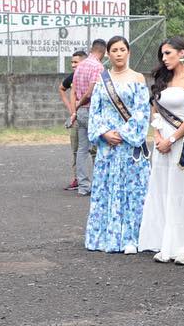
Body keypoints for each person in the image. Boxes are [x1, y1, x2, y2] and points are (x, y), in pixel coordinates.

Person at [138, 36, 184, 264]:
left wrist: (171, 138)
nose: (164, 58)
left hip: (183, 140)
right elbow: (155, 110)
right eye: (162, 54)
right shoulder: (163, 77)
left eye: (168, 53)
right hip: (162, 141)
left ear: (182, 53)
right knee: (163, 190)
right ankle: (165, 242)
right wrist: (158, 136)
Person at [84, 35, 150, 253]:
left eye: (122, 49)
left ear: (128, 52)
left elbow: (142, 113)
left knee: (132, 191)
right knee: (106, 189)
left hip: (129, 146)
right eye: (114, 50)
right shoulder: (102, 80)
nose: (119, 54)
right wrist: (104, 133)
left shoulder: (138, 78)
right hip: (107, 146)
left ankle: (131, 238)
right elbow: (96, 111)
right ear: (108, 54)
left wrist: (122, 134)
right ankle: (103, 238)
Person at [70, 40, 107, 195]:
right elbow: (91, 92)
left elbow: (73, 89)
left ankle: (83, 186)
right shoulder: (98, 67)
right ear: (104, 52)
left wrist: (76, 108)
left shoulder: (81, 66)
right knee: (99, 149)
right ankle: (100, 185)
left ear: (92, 49)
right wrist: (80, 104)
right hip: (93, 110)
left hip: (82, 113)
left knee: (82, 149)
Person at [59, 50, 88, 191]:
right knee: (76, 149)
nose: (73, 65)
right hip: (77, 119)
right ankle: (77, 179)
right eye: (72, 62)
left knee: (94, 150)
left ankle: (100, 180)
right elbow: (61, 89)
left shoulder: (91, 75)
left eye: (76, 62)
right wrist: (71, 110)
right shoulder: (72, 77)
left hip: (89, 117)